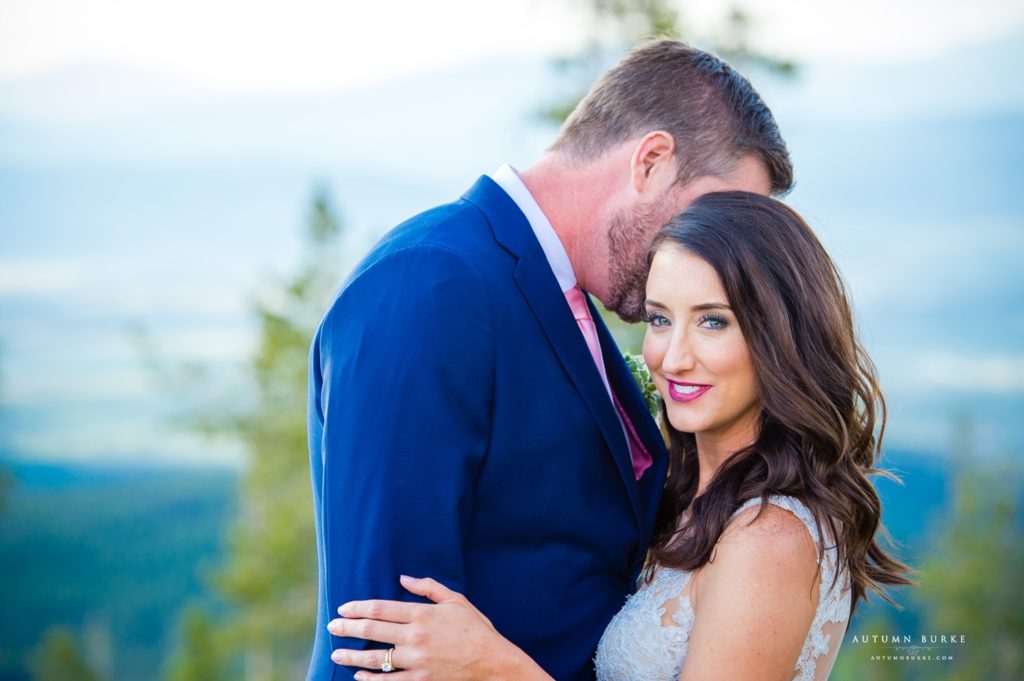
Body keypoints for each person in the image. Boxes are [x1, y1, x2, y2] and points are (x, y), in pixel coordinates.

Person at [305, 39, 793, 681]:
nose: (720, 257)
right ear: (650, 161)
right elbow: (385, 638)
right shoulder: (432, 282)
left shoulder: (567, 301)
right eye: (713, 214)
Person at [326, 192, 913, 680]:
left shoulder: (770, 538)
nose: (672, 357)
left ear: (780, 336)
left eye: (713, 321)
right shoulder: (689, 500)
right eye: (660, 319)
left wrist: (495, 665)